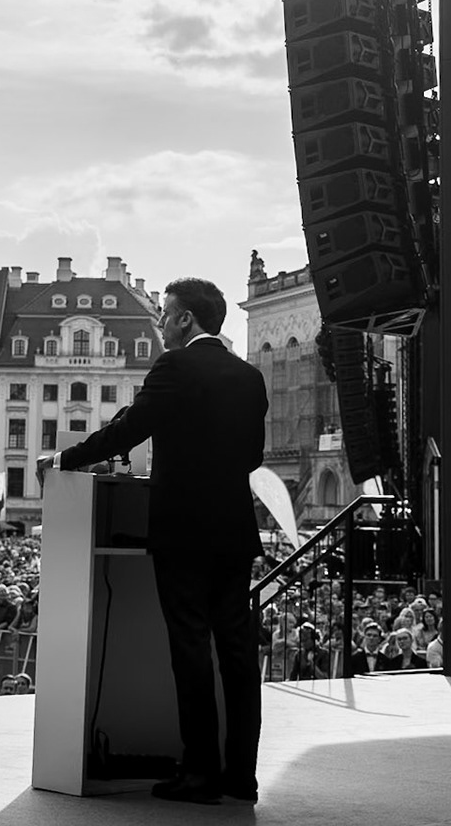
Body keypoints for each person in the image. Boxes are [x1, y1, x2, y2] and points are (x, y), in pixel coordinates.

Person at [45, 277, 268, 806]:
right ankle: (241, 776)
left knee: (190, 649)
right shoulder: (249, 376)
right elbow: (253, 458)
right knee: (238, 654)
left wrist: (65, 458)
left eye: (166, 314)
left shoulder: (175, 366)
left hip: (183, 531)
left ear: (186, 319)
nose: (161, 323)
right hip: (234, 530)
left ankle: (200, 774)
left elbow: (129, 430)